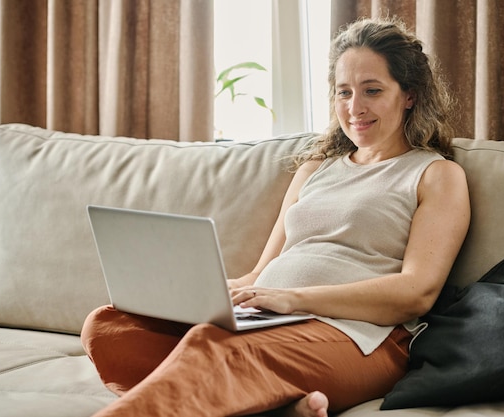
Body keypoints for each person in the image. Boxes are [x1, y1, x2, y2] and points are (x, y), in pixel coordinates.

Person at [81, 17, 470, 417]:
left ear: (409, 95)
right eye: (344, 92)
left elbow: (415, 293)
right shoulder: (316, 168)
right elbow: (260, 273)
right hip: (267, 322)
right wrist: (197, 294)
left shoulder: (436, 175)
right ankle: (274, 405)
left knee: (215, 346)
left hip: (359, 337)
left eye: (372, 91)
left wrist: (293, 300)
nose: (355, 108)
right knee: (109, 326)